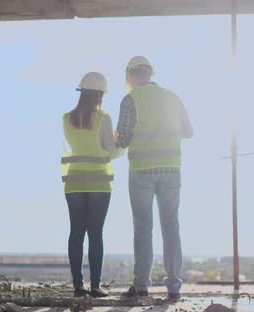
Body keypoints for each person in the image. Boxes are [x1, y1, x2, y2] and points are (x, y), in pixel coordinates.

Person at [117, 56, 193, 300]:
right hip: (171, 169)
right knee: (171, 226)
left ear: (130, 75)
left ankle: (141, 285)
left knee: (143, 228)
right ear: (150, 73)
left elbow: (123, 140)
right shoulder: (173, 97)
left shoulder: (131, 99)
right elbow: (188, 131)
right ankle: (173, 287)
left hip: (141, 170)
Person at [62, 72, 124, 298]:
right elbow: (111, 150)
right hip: (99, 182)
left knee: (76, 232)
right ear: (100, 94)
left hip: (74, 182)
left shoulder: (66, 118)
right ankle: (95, 286)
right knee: (95, 233)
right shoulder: (103, 118)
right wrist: (121, 145)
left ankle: (78, 286)